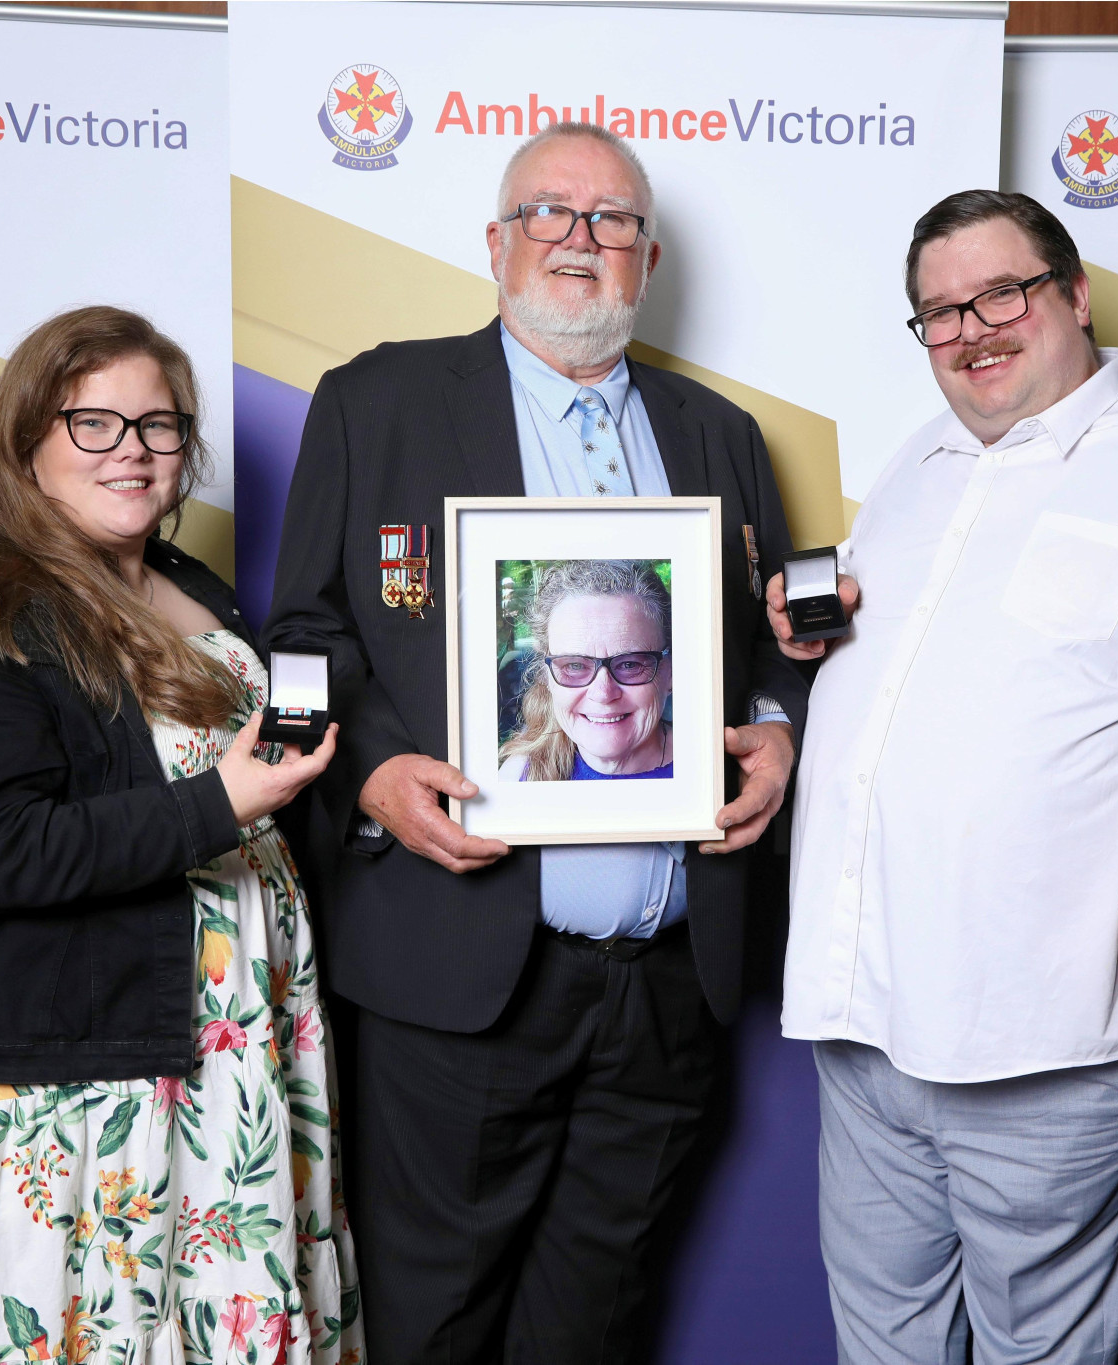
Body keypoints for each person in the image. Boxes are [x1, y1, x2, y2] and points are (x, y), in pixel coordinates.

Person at [263, 122, 807, 1364]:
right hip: (460, 973)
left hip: (666, 976)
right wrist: (370, 775)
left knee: (595, 1321)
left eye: (610, 220)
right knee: (430, 1317)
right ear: (496, 244)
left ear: (648, 258)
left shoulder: (718, 433)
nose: (578, 240)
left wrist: (774, 730)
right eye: (549, 214)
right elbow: (298, 636)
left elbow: (770, 643)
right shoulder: (377, 400)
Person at [769, 190, 1118, 1365]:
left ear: (1072, 293)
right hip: (864, 1020)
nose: (971, 328)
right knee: (883, 1348)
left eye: (999, 293)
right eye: (937, 313)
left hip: (1043, 1040)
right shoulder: (918, 460)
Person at [0, 307, 364, 1365]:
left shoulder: (186, 587)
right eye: (95, 423)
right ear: (26, 438)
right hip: (66, 1090)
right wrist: (226, 800)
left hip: (234, 1062)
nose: (134, 449)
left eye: (160, 426)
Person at [498, 559, 675, 781]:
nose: (603, 694)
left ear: (669, 673)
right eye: (574, 665)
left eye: (630, 664)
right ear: (547, 676)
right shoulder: (516, 777)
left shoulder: (709, 771)